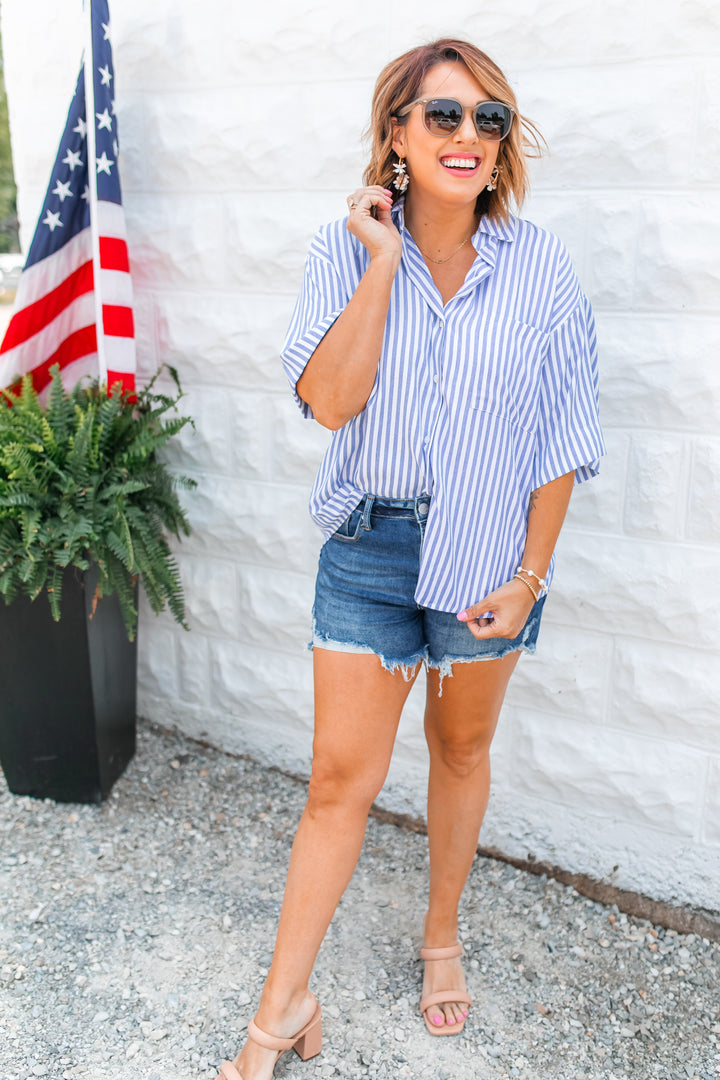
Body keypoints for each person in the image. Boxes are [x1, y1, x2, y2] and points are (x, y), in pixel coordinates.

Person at [216, 37, 604, 1080]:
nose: (468, 136)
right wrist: (383, 262)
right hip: (369, 547)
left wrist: (531, 575)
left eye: (489, 119)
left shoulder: (542, 266)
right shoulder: (340, 252)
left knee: (461, 753)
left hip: (489, 557)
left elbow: (564, 435)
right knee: (337, 781)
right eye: (443, 115)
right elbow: (331, 402)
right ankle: (279, 1014)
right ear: (395, 130)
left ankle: (441, 936)